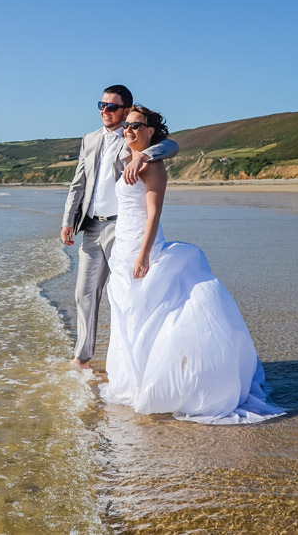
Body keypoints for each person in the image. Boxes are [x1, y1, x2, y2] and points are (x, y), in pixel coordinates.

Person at [99, 105, 285, 423]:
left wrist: (144, 255)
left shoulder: (152, 165)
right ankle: (137, 378)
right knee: (129, 313)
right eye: (126, 125)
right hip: (123, 246)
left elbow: (154, 214)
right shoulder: (128, 156)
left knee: (150, 310)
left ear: (150, 131)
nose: (128, 130)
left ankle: (169, 383)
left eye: (135, 126)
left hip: (143, 246)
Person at [62, 85, 179, 369]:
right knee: (84, 293)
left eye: (112, 107)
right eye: (101, 105)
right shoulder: (89, 139)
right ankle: (83, 357)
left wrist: (143, 155)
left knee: (124, 295)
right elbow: (79, 182)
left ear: (125, 111)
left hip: (121, 228)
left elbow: (172, 146)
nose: (105, 111)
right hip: (91, 227)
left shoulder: (134, 138)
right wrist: (67, 220)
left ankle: (124, 360)